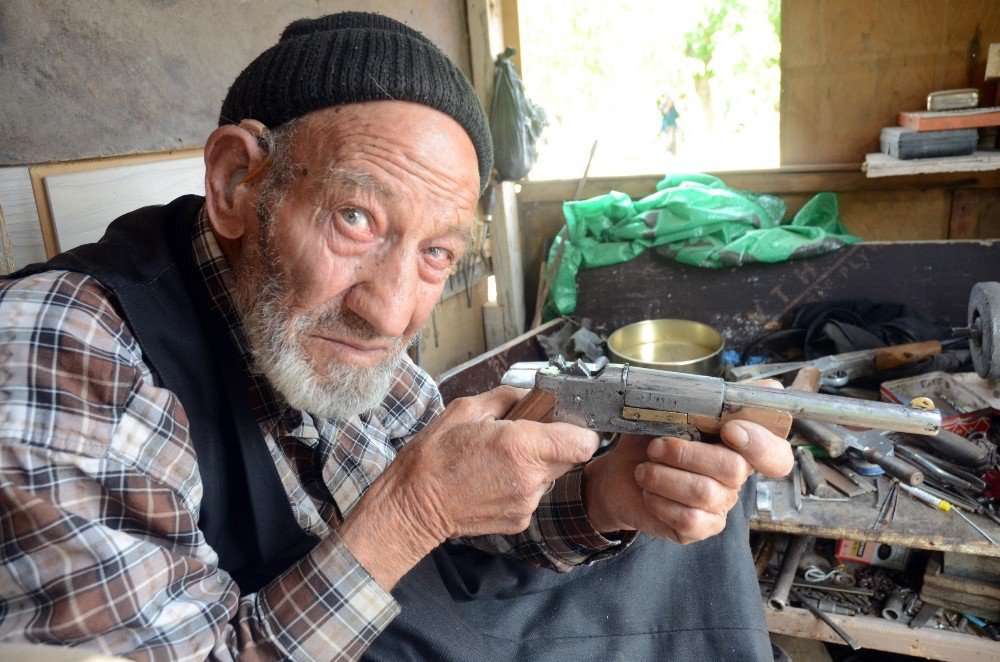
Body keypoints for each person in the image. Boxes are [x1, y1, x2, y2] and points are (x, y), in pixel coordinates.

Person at [0, 12, 792, 661]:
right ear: (239, 183)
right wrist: (414, 512)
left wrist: (604, 497)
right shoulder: (66, 344)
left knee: (670, 529)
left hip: (385, 623)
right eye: (356, 219)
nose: (389, 313)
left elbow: (471, 523)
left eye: (435, 253)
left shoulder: (340, 331)